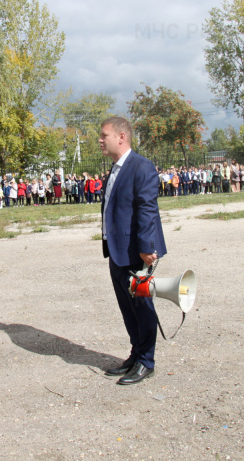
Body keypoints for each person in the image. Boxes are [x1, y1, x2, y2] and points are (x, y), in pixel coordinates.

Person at [98, 117, 167, 386]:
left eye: (104, 135)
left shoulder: (142, 167)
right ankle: (136, 354)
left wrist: (147, 247)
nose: (100, 140)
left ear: (121, 137)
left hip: (136, 252)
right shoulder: (115, 169)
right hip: (116, 251)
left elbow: (147, 209)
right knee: (128, 308)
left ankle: (146, 361)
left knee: (142, 306)